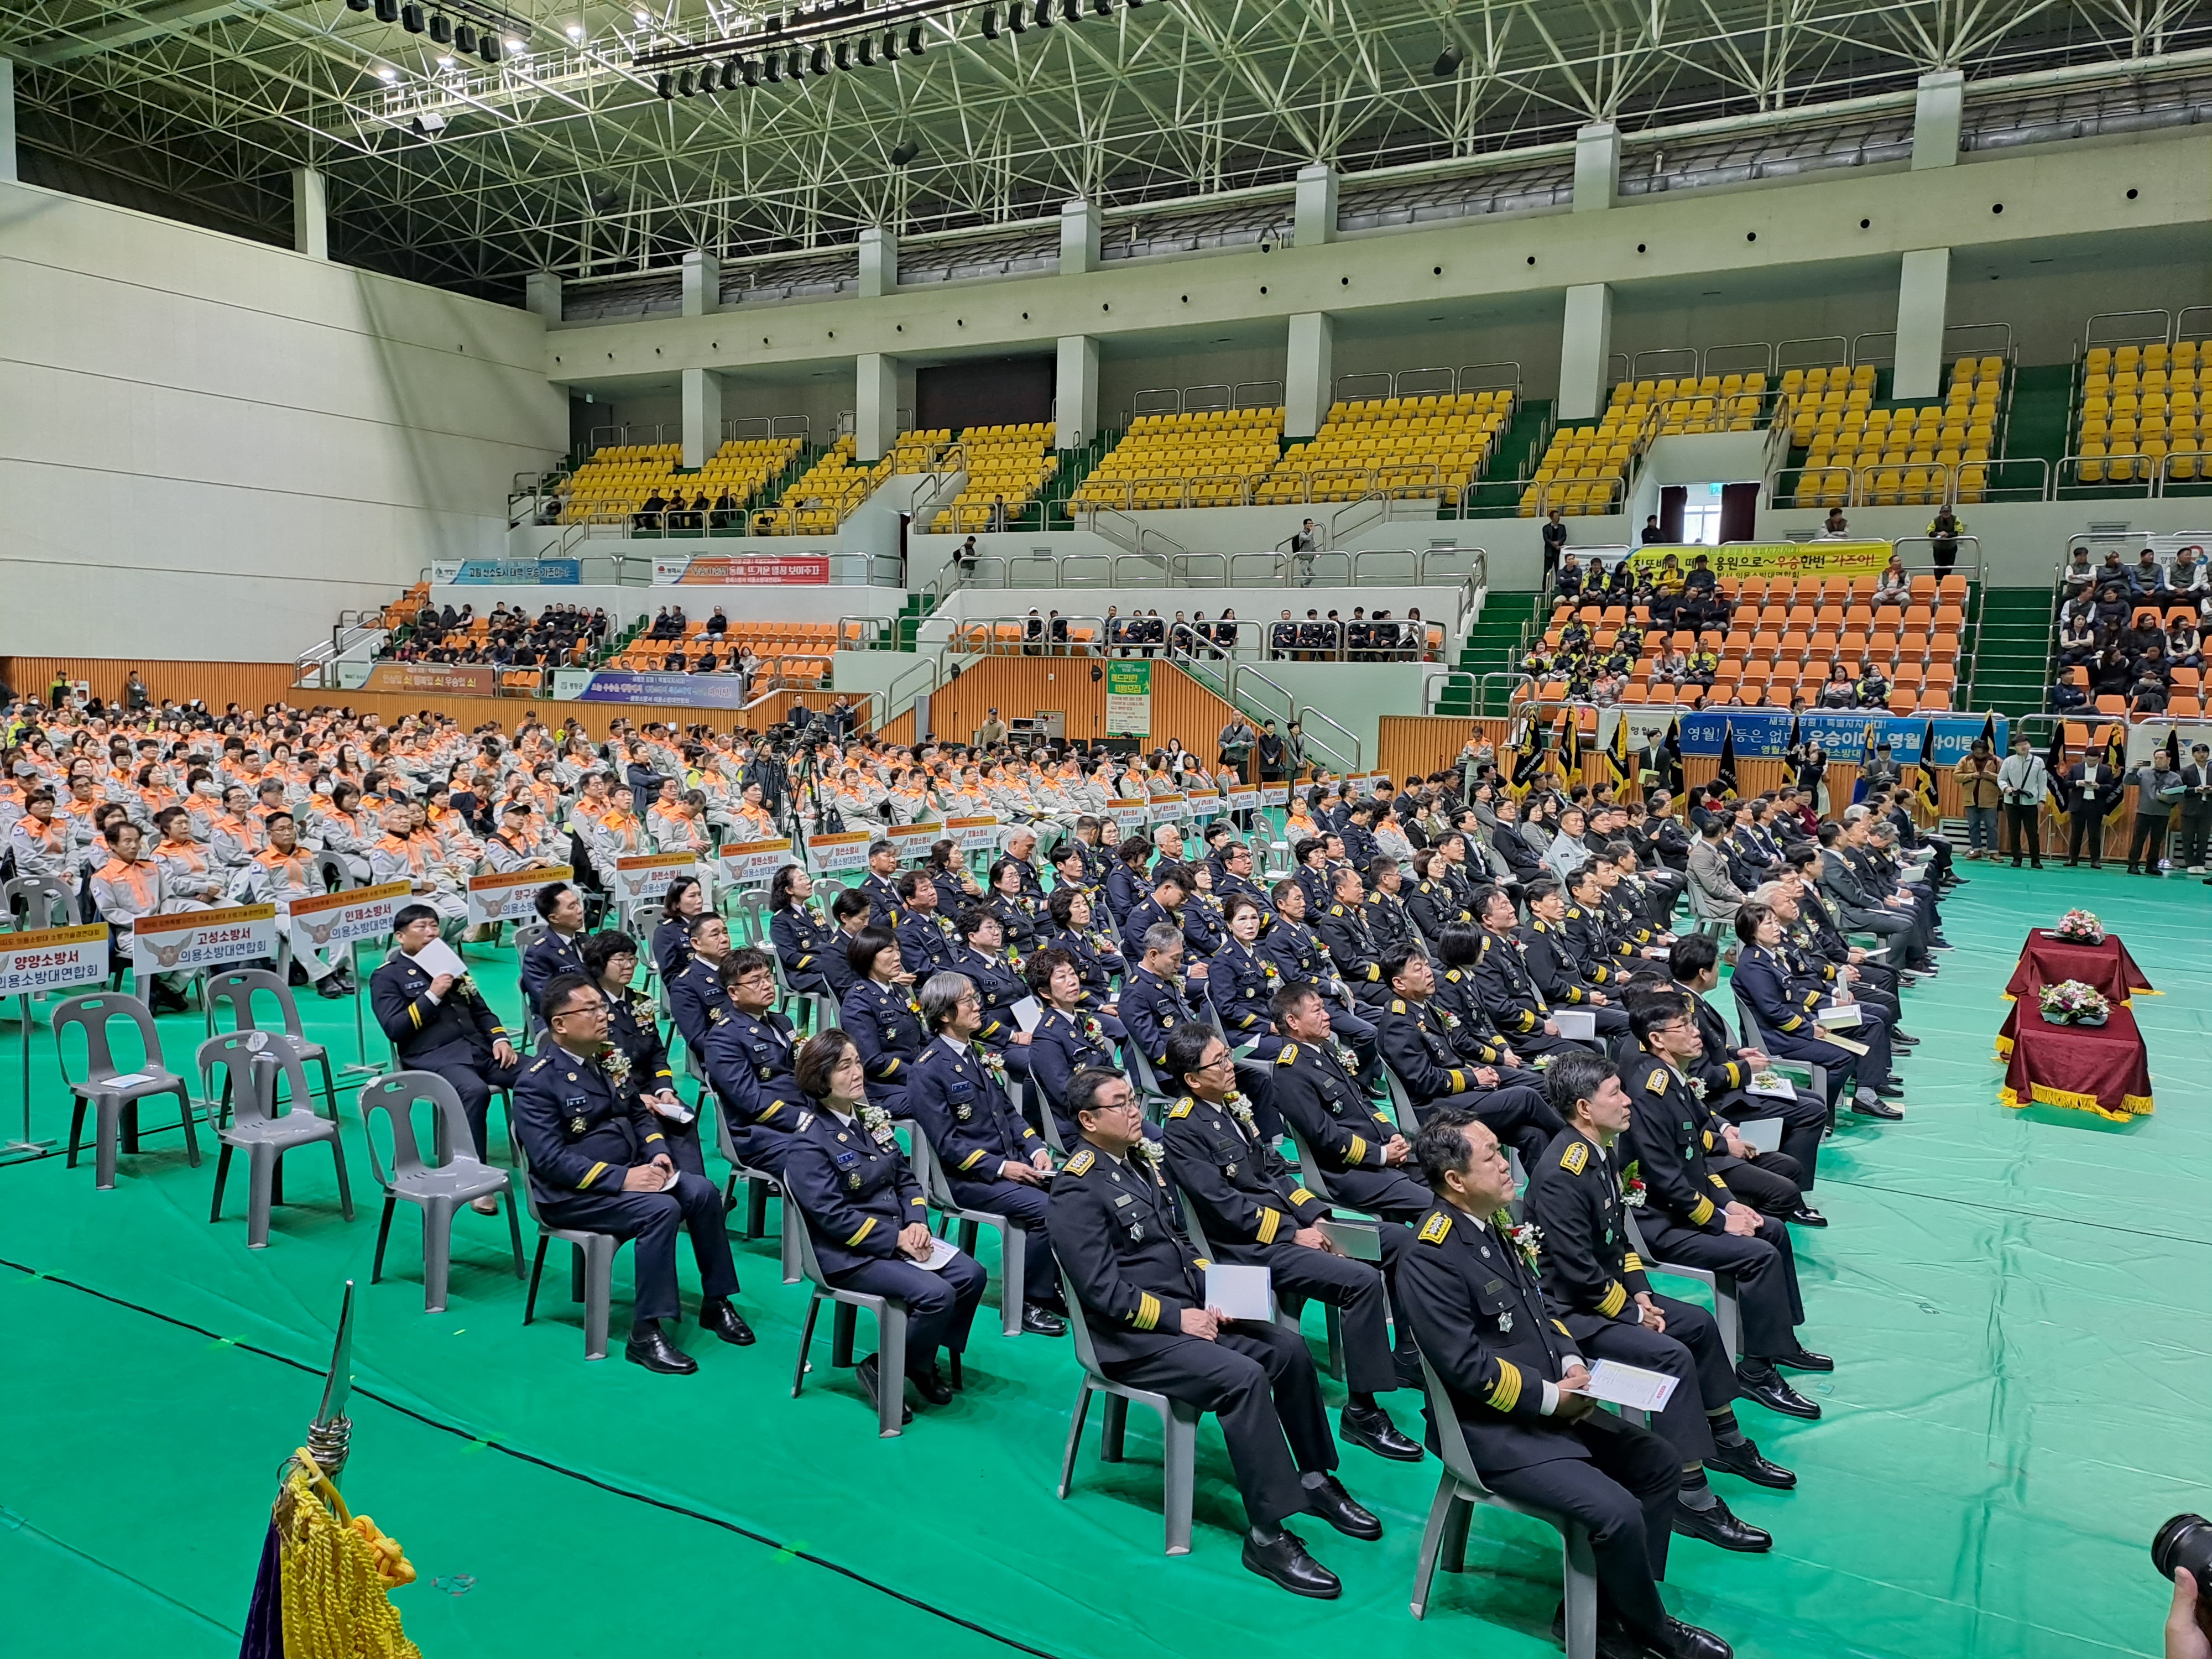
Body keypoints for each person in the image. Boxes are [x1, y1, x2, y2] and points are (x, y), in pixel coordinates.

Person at [1397, 1109, 1733, 1659]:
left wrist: (1573, 1361)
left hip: (1550, 1402)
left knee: (1658, 1462)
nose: (1505, 1163)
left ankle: (1606, 1615)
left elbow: (1541, 1308)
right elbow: (1466, 1368)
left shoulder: (1492, 1223)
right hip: (1492, 1432)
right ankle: (1652, 1631)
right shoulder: (1429, 1257)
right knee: (1615, 1511)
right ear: (1455, 1180)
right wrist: (1555, 1399)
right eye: (1490, 1156)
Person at [1045, 1066, 1381, 1597]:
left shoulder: (1138, 1164)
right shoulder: (1076, 1189)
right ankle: (1267, 1535)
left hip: (1186, 1310)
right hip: (1133, 1339)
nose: (1135, 1111)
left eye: (1133, 1099)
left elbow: (1179, 1245)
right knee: (1243, 1378)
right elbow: (1100, 1291)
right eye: (1121, 1104)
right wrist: (1177, 1317)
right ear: (1088, 1121)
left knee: (1289, 1349)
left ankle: (1314, 1477)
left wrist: (1216, 1288)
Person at [1525, 1052, 1791, 1552]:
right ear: (1584, 1108)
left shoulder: (1601, 1150)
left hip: (1607, 1297)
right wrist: (1632, 1313)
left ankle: (1726, 1439)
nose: (1628, 1100)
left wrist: (1642, 1292)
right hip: (1571, 1316)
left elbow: (1617, 1242)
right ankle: (1690, 1497)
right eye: (1615, 1093)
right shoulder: (1564, 1172)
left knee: (1697, 1324)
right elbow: (1578, 1272)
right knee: (1669, 1355)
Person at [1160, 1026, 1423, 1460]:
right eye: (1219, 1062)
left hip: (1290, 1228)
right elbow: (1223, 1206)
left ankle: (1407, 1354)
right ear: (1192, 1079)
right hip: (1250, 1248)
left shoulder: (1232, 1106)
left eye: (1227, 1056)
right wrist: (1292, 1233)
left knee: (1399, 1241)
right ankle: (1362, 1411)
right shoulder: (1183, 1129)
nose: (1230, 1066)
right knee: (1359, 1281)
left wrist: (1315, 1216)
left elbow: (1276, 1175)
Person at [513, 973, 753, 1373]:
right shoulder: (536, 1083)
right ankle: (645, 1332)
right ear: (560, 1024)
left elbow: (639, 1114)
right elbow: (550, 1161)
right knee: (660, 1211)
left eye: (601, 1006)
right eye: (590, 1009)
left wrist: (658, 1153)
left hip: (630, 1174)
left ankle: (717, 1300)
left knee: (703, 1192)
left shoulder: (607, 1059)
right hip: (570, 1195)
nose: (603, 1015)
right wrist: (623, 1179)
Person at [1622, 992, 1826, 1420]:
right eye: (1684, 1027)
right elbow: (1666, 1179)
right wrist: (1718, 1219)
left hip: (1685, 1206)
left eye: (1692, 1022)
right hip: (1659, 1223)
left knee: (1772, 1229)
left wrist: (1732, 1205)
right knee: (1757, 1255)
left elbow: (1697, 1160)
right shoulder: (1649, 1093)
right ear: (1657, 1039)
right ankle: (1756, 1372)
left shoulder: (1675, 1079)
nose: (1696, 1032)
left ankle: (1778, 1344)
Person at [784, 1029, 986, 1418]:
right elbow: (833, 1217)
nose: (857, 1072)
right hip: (848, 1255)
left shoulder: (869, 1118)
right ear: (821, 1078)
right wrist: (897, 1239)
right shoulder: (809, 1142)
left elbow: (906, 1180)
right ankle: (886, 1367)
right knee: (936, 1295)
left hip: (897, 1235)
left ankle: (915, 1361)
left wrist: (918, 1223)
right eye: (844, 1067)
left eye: (858, 1062)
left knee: (971, 1275)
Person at [906, 971, 1066, 1337]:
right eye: (968, 1001)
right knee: (1045, 1210)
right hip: (967, 1179)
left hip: (1006, 1164)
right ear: (945, 1014)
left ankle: (1052, 1285)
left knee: (1073, 1190)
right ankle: (1026, 1300)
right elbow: (947, 1145)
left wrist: (1036, 1149)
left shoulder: (971, 1054)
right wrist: (1003, 1167)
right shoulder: (928, 1070)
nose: (978, 1006)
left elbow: (1008, 1113)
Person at [372, 904, 521, 1166]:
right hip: (434, 1057)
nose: (431, 932)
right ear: (400, 936)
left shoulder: (451, 966)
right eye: (421, 927)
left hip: (480, 1050)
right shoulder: (387, 976)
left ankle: (546, 1150)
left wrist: (500, 1039)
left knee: (540, 1073)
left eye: (434, 926)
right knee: (475, 1091)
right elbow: (394, 1028)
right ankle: (472, 1169)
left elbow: (481, 1010)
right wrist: (433, 994)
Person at [583, 930, 700, 1178]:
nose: (628, 966)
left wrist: (665, 1090)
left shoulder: (640, 1002)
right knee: (651, 1124)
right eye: (620, 960)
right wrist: (636, 1098)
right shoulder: (588, 1009)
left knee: (683, 1118)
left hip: (649, 1089)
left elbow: (656, 1053)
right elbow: (591, 1069)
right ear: (599, 964)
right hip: (613, 1097)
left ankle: (696, 1188)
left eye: (632, 959)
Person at [700, 949, 805, 1174]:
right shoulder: (723, 1039)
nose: (767, 986)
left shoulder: (782, 1022)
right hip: (760, 1133)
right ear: (733, 992)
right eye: (756, 981)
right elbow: (751, 1101)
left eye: (768, 977)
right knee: (818, 1159)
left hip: (799, 1113)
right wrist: (802, 1119)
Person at [520, 880, 588, 1020]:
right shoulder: (538, 954)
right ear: (554, 918)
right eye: (572, 907)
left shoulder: (586, 940)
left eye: (577, 903)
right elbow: (547, 1000)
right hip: (560, 1019)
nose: (580, 910)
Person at [1996, 733, 2048, 869]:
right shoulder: (2009, 761)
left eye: (2025, 744)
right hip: (2012, 801)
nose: (2023, 747)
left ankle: (2035, 859)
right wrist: (2006, 788)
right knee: (2014, 831)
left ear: (2030, 745)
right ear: (2015, 748)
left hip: (2031, 802)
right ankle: (2016, 858)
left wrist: (2042, 800)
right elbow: (2001, 779)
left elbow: (2043, 782)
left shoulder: (2038, 761)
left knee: (2032, 832)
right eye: (2019, 745)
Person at [2128, 752, 2185, 874]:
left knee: (2157, 841)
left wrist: (2168, 799)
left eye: (2161, 758)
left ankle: (2152, 866)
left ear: (2168, 760)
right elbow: (2128, 781)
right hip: (2144, 812)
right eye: (2156, 758)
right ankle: (2133, 864)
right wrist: (2134, 769)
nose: (2158, 760)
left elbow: (2180, 795)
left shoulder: (2175, 777)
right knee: (2138, 840)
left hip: (2162, 813)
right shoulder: (2144, 773)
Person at [2066, 747, 2122, 868]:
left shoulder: (2106, 770)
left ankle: (2095, 860)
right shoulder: (2075, 768)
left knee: (2095, 835)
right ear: (2085, 757)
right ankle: (2073, 859)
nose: (2092, 762)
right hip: (2079, 805)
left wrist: (2099, 787)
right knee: (2076, 834)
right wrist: (2078, 783)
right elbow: (2066, 783)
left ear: (2099, 759)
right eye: (2090, 760)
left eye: (2095, 760)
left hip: (2095, 805)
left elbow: (2112, 787)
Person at [1955, 737, 2002, 862]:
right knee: (1973, 825)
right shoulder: (1965, 760)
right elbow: (1956, 777)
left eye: (1983, 753)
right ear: (1973, 751)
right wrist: (1971, 776)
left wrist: (1991, 776)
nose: (1980, 755)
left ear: (1987, 751)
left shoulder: (1996, 761)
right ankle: (1976, 850)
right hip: (1971, 799)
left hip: (1989, 800)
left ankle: (1994, 852)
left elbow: (2004, 779)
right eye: (1977, 753)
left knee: (1991, 826)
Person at [1541, 508, 1568, 584]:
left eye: (1559, 516)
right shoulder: (1546, 527)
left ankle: (1558, 586)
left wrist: (1559, 542)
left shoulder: (1562, 527)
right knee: (1547, 570)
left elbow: (1564, 537)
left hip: (1559, 552)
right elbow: (1546, 539)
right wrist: (1554, 544)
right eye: (1556, 516)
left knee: (1559, 570)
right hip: (1549, 552)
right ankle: (1545, 587)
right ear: (1551, 518)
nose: (1558, 518)